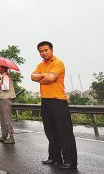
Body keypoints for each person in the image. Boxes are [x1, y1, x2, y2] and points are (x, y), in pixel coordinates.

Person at [31, 41, 77, 170]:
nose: (44, 52)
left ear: (51, 50)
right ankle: (54, 158)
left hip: (58, 101)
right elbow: (32, 76)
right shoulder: (41, 64)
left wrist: (42, 78)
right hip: (45, 101)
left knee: (64, 132)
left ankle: (70, 161)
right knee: (50, 131)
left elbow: (50, 79)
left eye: (46, 50)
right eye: (41, 51)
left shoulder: (58, 62)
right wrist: (44, 76)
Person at [0, 66, 16, 144]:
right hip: (3, 98)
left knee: (7, 119)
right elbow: (2, 87)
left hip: (6, 99)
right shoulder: (3, 77)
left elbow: (6, 87)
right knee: (2, 119)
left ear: (3, 69)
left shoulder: (6, 76)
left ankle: (11, 137)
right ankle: (4, 136)